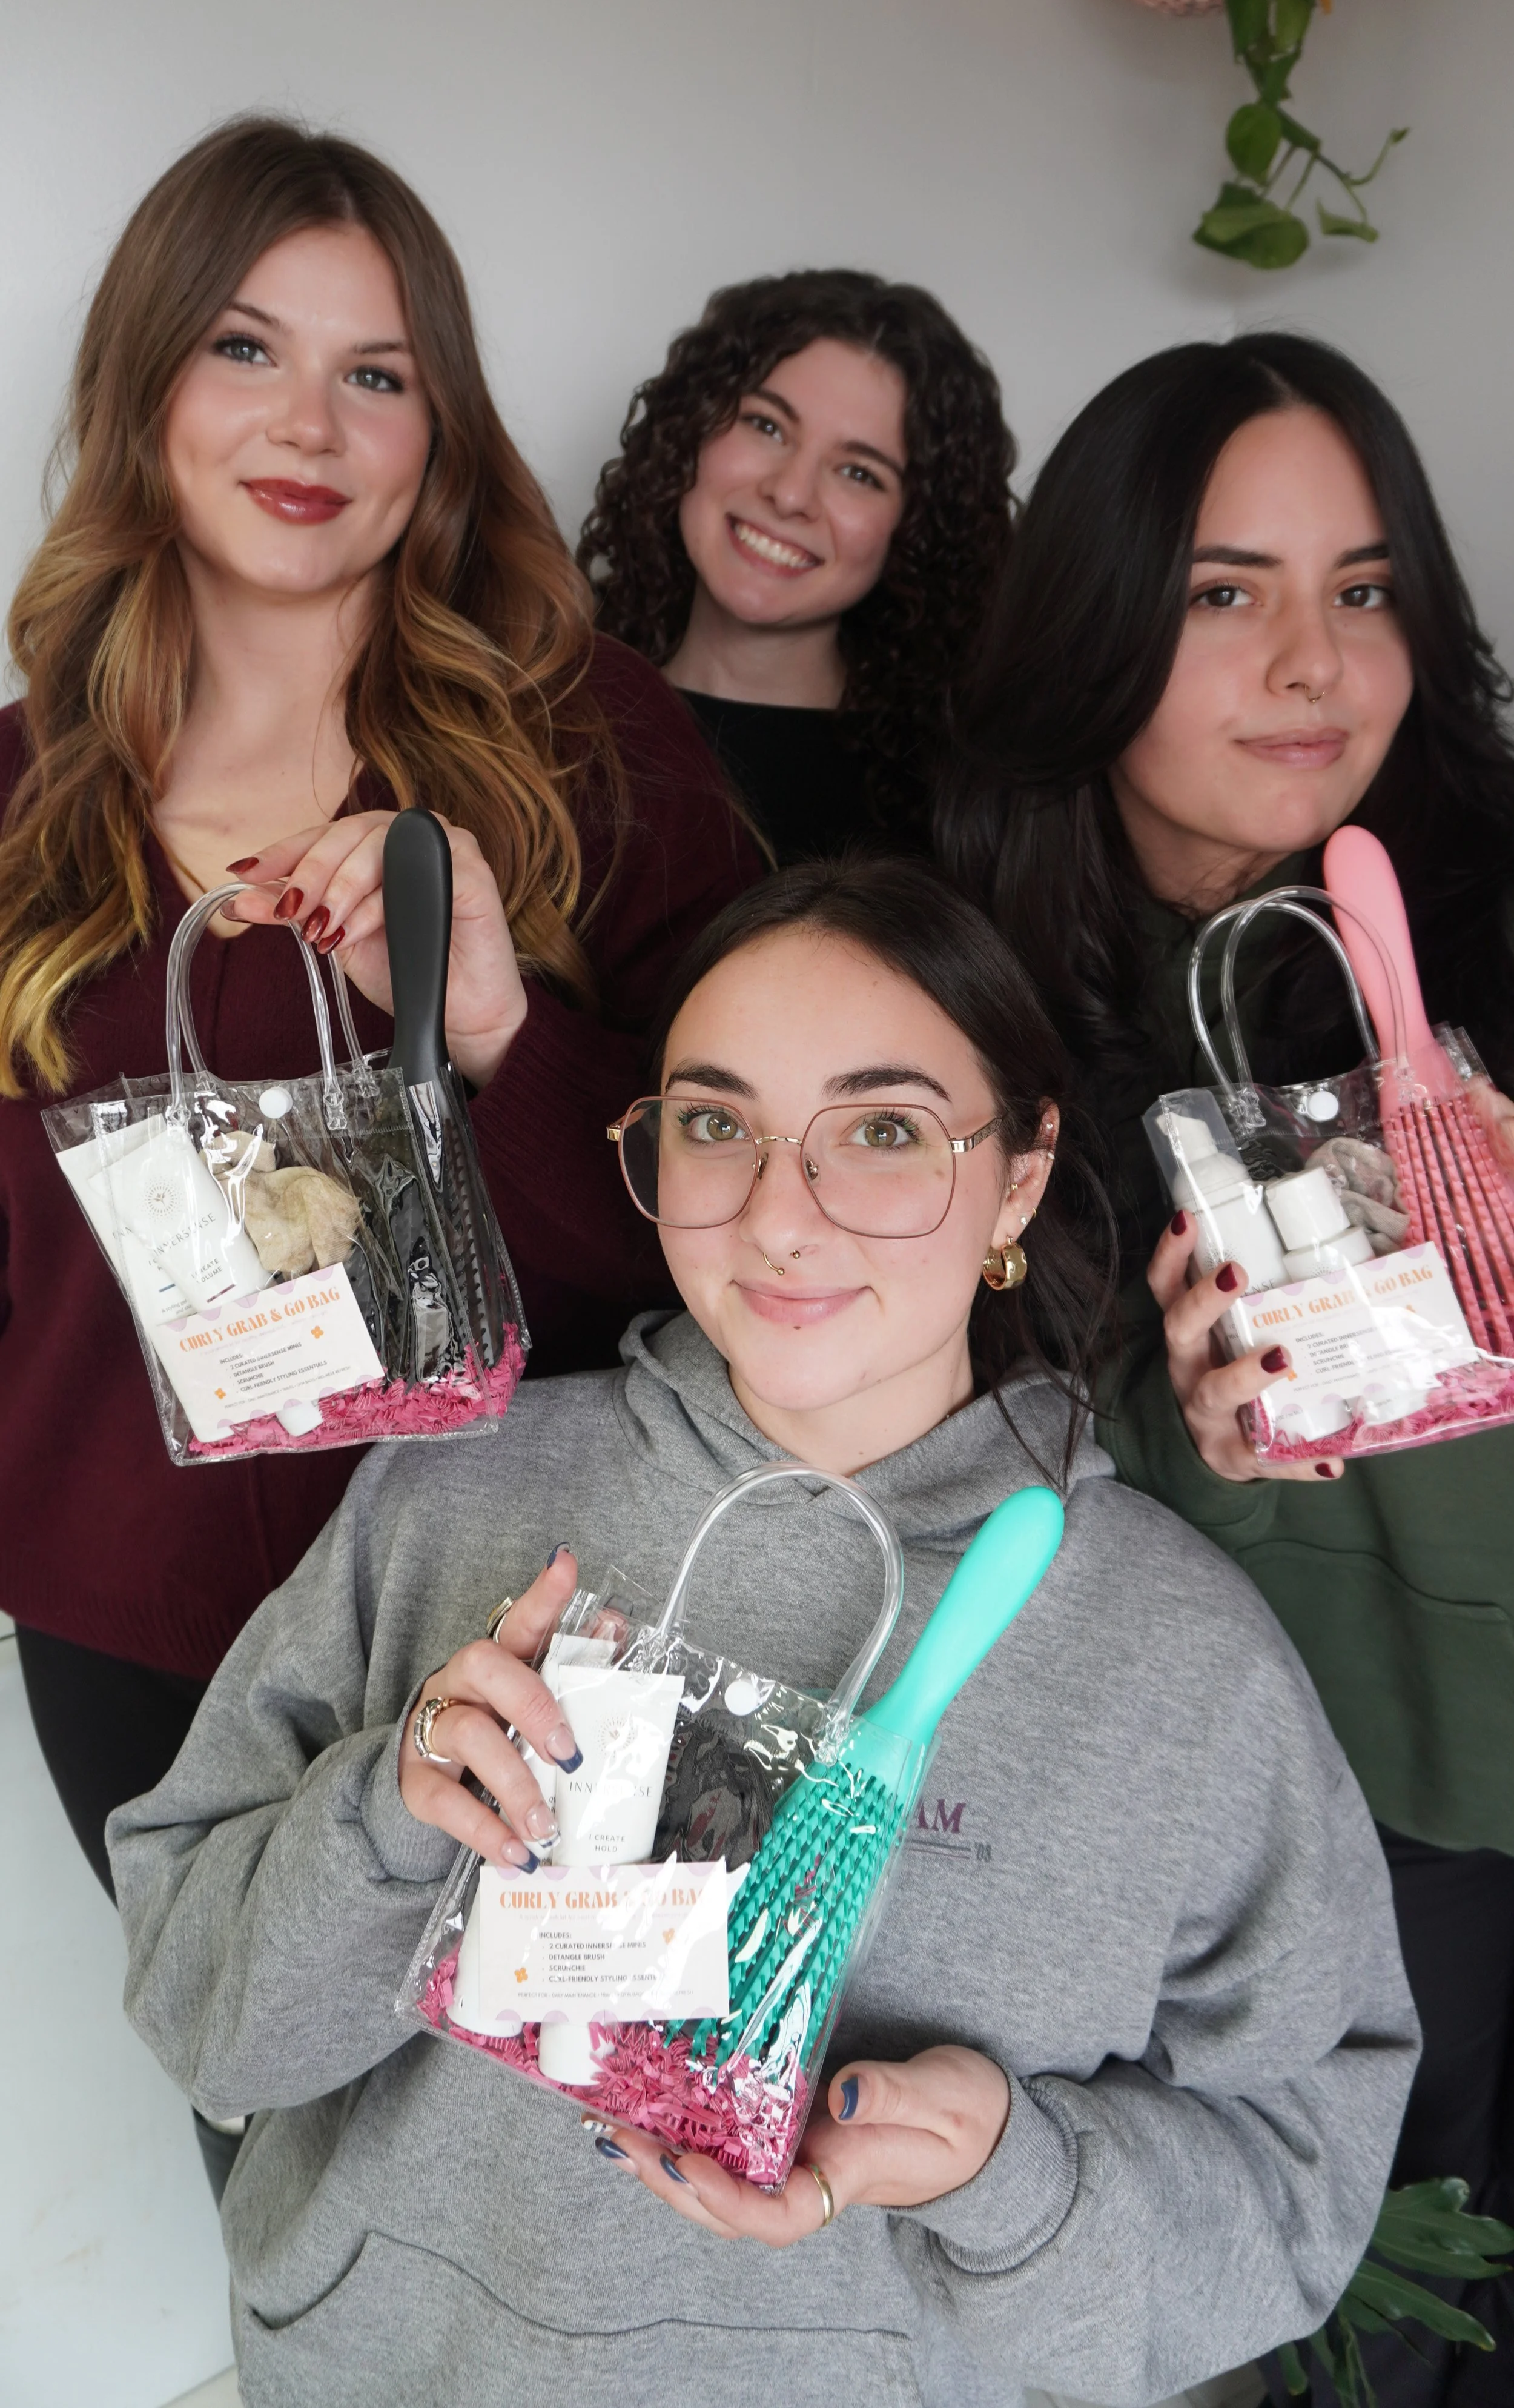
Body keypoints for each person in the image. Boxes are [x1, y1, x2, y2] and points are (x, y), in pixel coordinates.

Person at [110, 858, 1415, 2407]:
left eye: (881, 1131)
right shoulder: (454, 1494)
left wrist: (1005, 2170)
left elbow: (1297, 2173)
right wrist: (387, 1820)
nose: (782, 1218)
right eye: (717, 1124)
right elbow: (203, 2016)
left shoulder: (1183, 1663)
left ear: (1017, 1175)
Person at [0, 116, 759, 1946]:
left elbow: (769, 1199)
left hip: (548, 1615)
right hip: (141, 1644)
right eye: (244, 348)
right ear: (145, 382)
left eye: (377, 375)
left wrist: (497, 1028)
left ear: (437, 434)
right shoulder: (17, 806)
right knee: (274, 2164)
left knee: (575, 2180)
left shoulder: (591, 741)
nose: (308, 428)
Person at [938, 334, 1514, 2403]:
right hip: (1227, 1808)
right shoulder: (951, 989)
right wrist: (1149, 1421)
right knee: (1345, 2263)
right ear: (1098, 621)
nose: (1316, 663)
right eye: (1223, 590)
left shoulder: (1473, 928)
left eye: (1364, 589)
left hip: (1480, 1750)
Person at [577, 271, 1015, 861]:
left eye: (859, 472)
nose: (789, 495)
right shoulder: (544, 701)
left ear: (917, 531)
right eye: (766, 425)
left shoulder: (957, 810)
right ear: (690, 430)